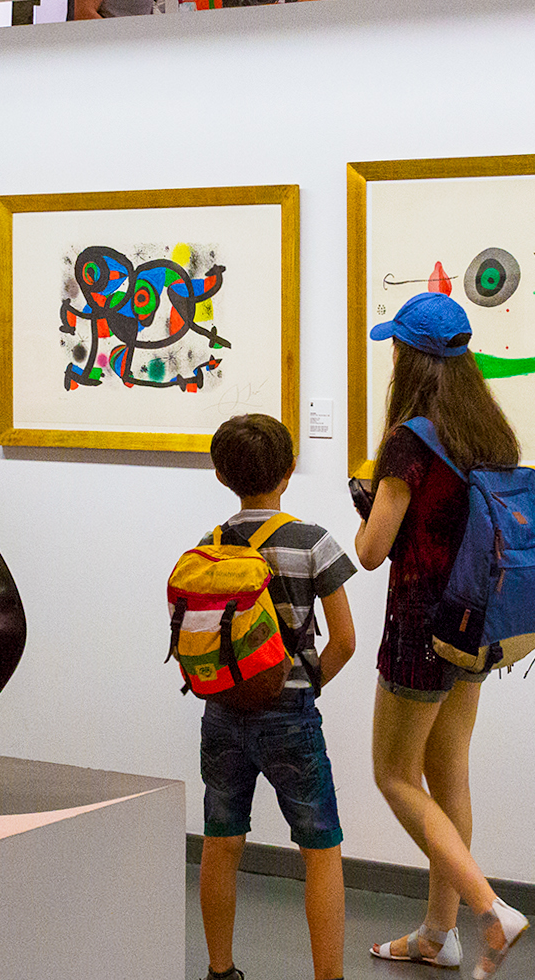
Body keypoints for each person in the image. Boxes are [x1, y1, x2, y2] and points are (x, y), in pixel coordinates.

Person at [352, 292, 530, 979]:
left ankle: (490, 910)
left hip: (420, 631)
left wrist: (369, 502)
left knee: (394, 775)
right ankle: (437, 934)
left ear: (408, 357)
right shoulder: (489, 432)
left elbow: (372, 551)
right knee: (449, 772)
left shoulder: (409, 442)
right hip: (476, 626)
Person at [197, 413, 358, 980]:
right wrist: (305, 687)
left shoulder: (211, 546)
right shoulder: (313, 543)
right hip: (290, 717)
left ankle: (220, 970)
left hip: (223, 712)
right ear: (290, 469)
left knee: (221, 841)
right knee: (321, 850)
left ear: (221, 476)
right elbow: (345, 641)